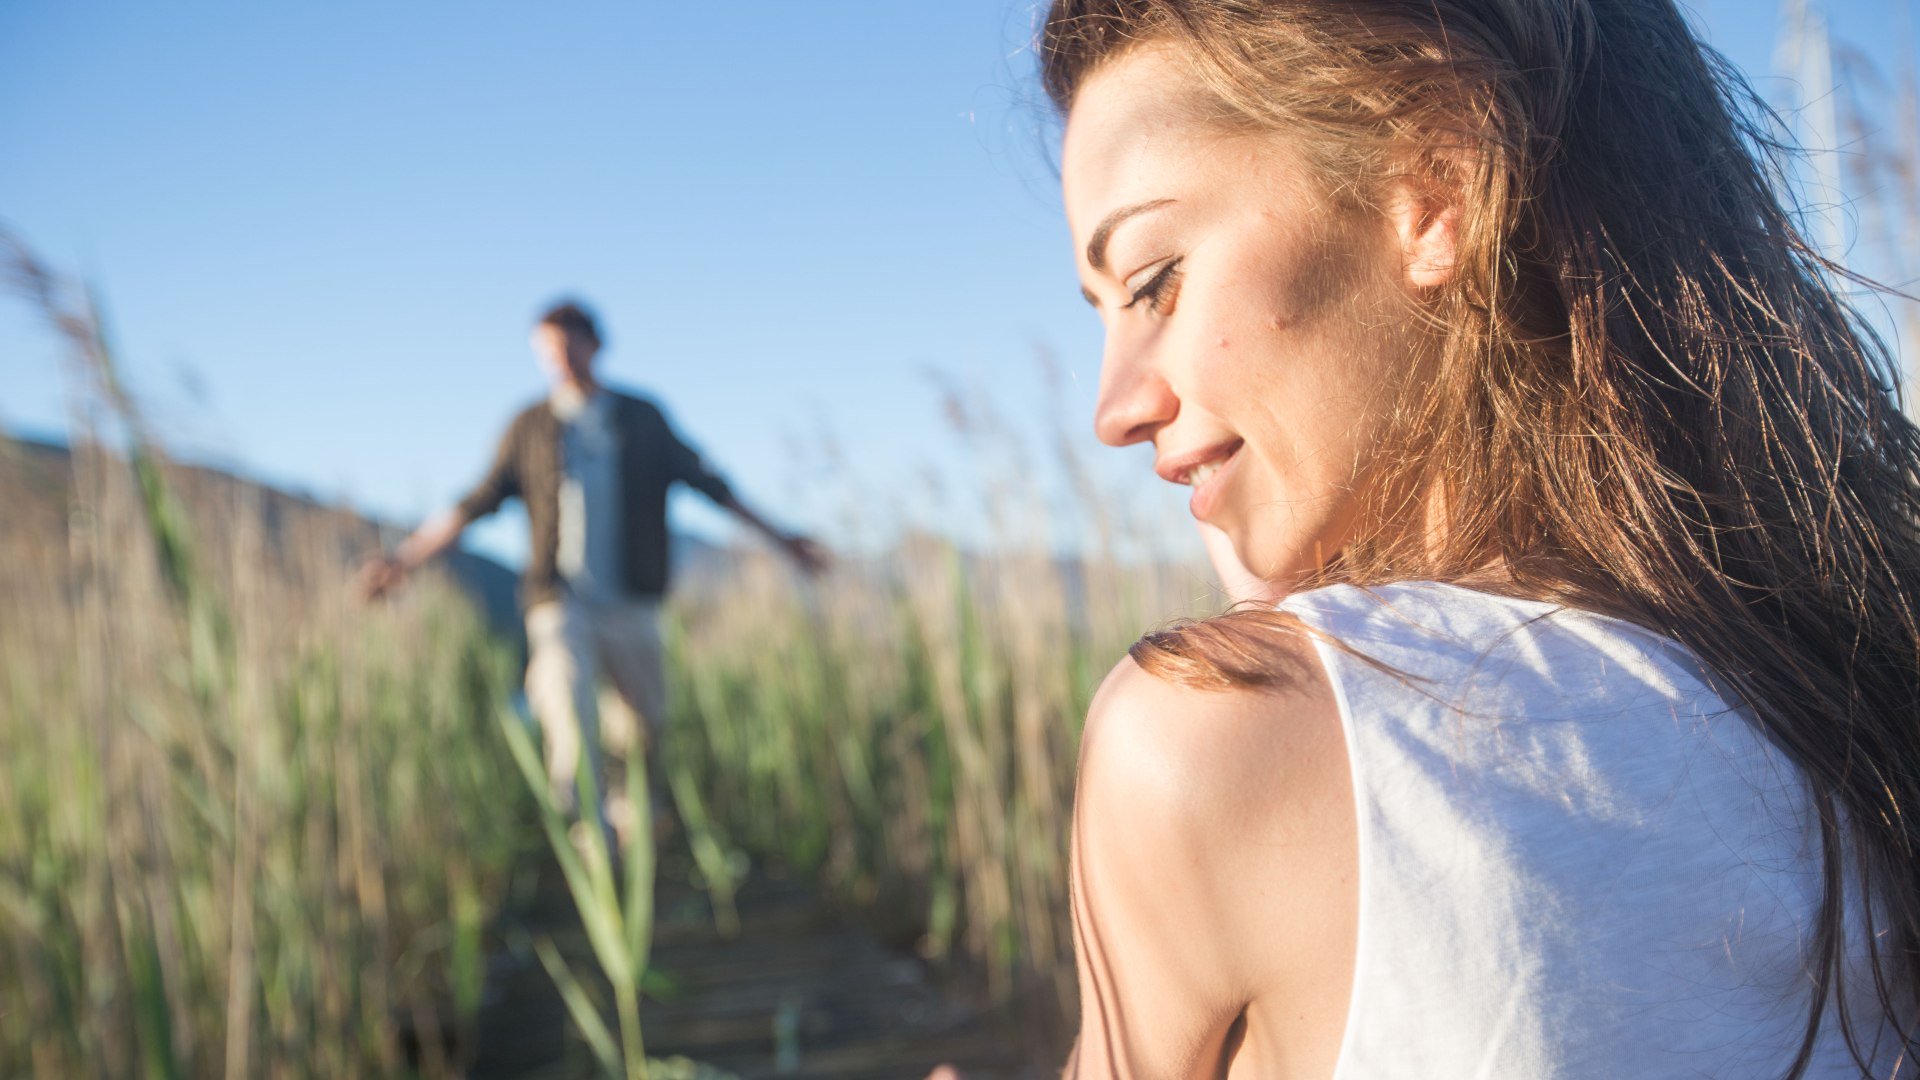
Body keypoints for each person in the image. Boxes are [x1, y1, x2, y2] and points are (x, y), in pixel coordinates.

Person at [1040, 0, 1919, 1076]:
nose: (1114, 406)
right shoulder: (1851, 692)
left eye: (1153, 283)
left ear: (1435, 189)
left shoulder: (1213, 742)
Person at [359, 299, 822, 846]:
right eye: (546, 351)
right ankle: (588, 843)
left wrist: (783, 540)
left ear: (594, 345)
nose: (559, 360)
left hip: (633, 601)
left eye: (567, 346)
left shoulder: (642, 419)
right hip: (562, 603)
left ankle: (636, 838)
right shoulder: (530, 426)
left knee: (642, 728)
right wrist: (407, 559)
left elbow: (712, 485)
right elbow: (475, 503)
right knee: (565, 704)